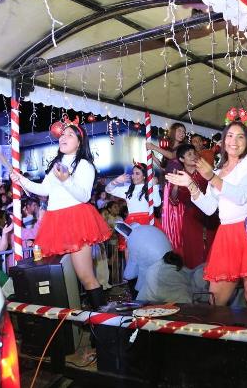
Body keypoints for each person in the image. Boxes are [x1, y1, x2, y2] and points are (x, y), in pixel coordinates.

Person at [10, 118, 111, 309]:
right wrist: (21, 179)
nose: (64, 137)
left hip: (76, 221)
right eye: (63, 134)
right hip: (55, 221)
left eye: (70, 135)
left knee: (86, 277)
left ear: (79, 142)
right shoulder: (57, 164)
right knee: (59, 277)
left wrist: (66, 180)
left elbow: (84, 196)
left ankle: (102, 319)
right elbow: (43, 189)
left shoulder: (84, 165)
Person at [165, 121, 247, 307]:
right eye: (230, 136)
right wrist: (191, 185)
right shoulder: (217, 170)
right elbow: (210, 208)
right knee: (216, 299)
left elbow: (241, 197)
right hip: (226, 236)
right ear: (224, 140)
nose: (234, 141)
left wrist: (211, 177)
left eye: (240, 137)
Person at [106, 162, 162, 264]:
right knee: (130, 252)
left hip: (146, 223)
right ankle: (131, 272)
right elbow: (108, 189)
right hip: (131, 224)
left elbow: (157, 203)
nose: (133, 176)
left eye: (137, 173)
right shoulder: (128, 189)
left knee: (146, 252)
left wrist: (155, 186)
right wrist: (116, 181)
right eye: (133, 173)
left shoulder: (149, 188)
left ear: (144, 176)